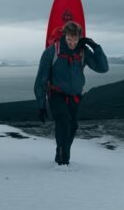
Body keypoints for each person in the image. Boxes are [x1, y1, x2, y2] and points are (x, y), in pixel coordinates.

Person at [34, 21, 108, 165]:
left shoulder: (82, 52)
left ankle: (60, 154)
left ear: (79, 38)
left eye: (75, 39)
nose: (72, 43)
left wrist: (95, 47)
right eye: (69, 39)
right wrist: (41, 105)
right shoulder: (51, 52)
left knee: (73, 126)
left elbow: (103, 68)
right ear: (64, 36)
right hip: (56, 94)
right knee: (64, 122)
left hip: (75, 97)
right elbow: (41, 81)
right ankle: (63, 162)